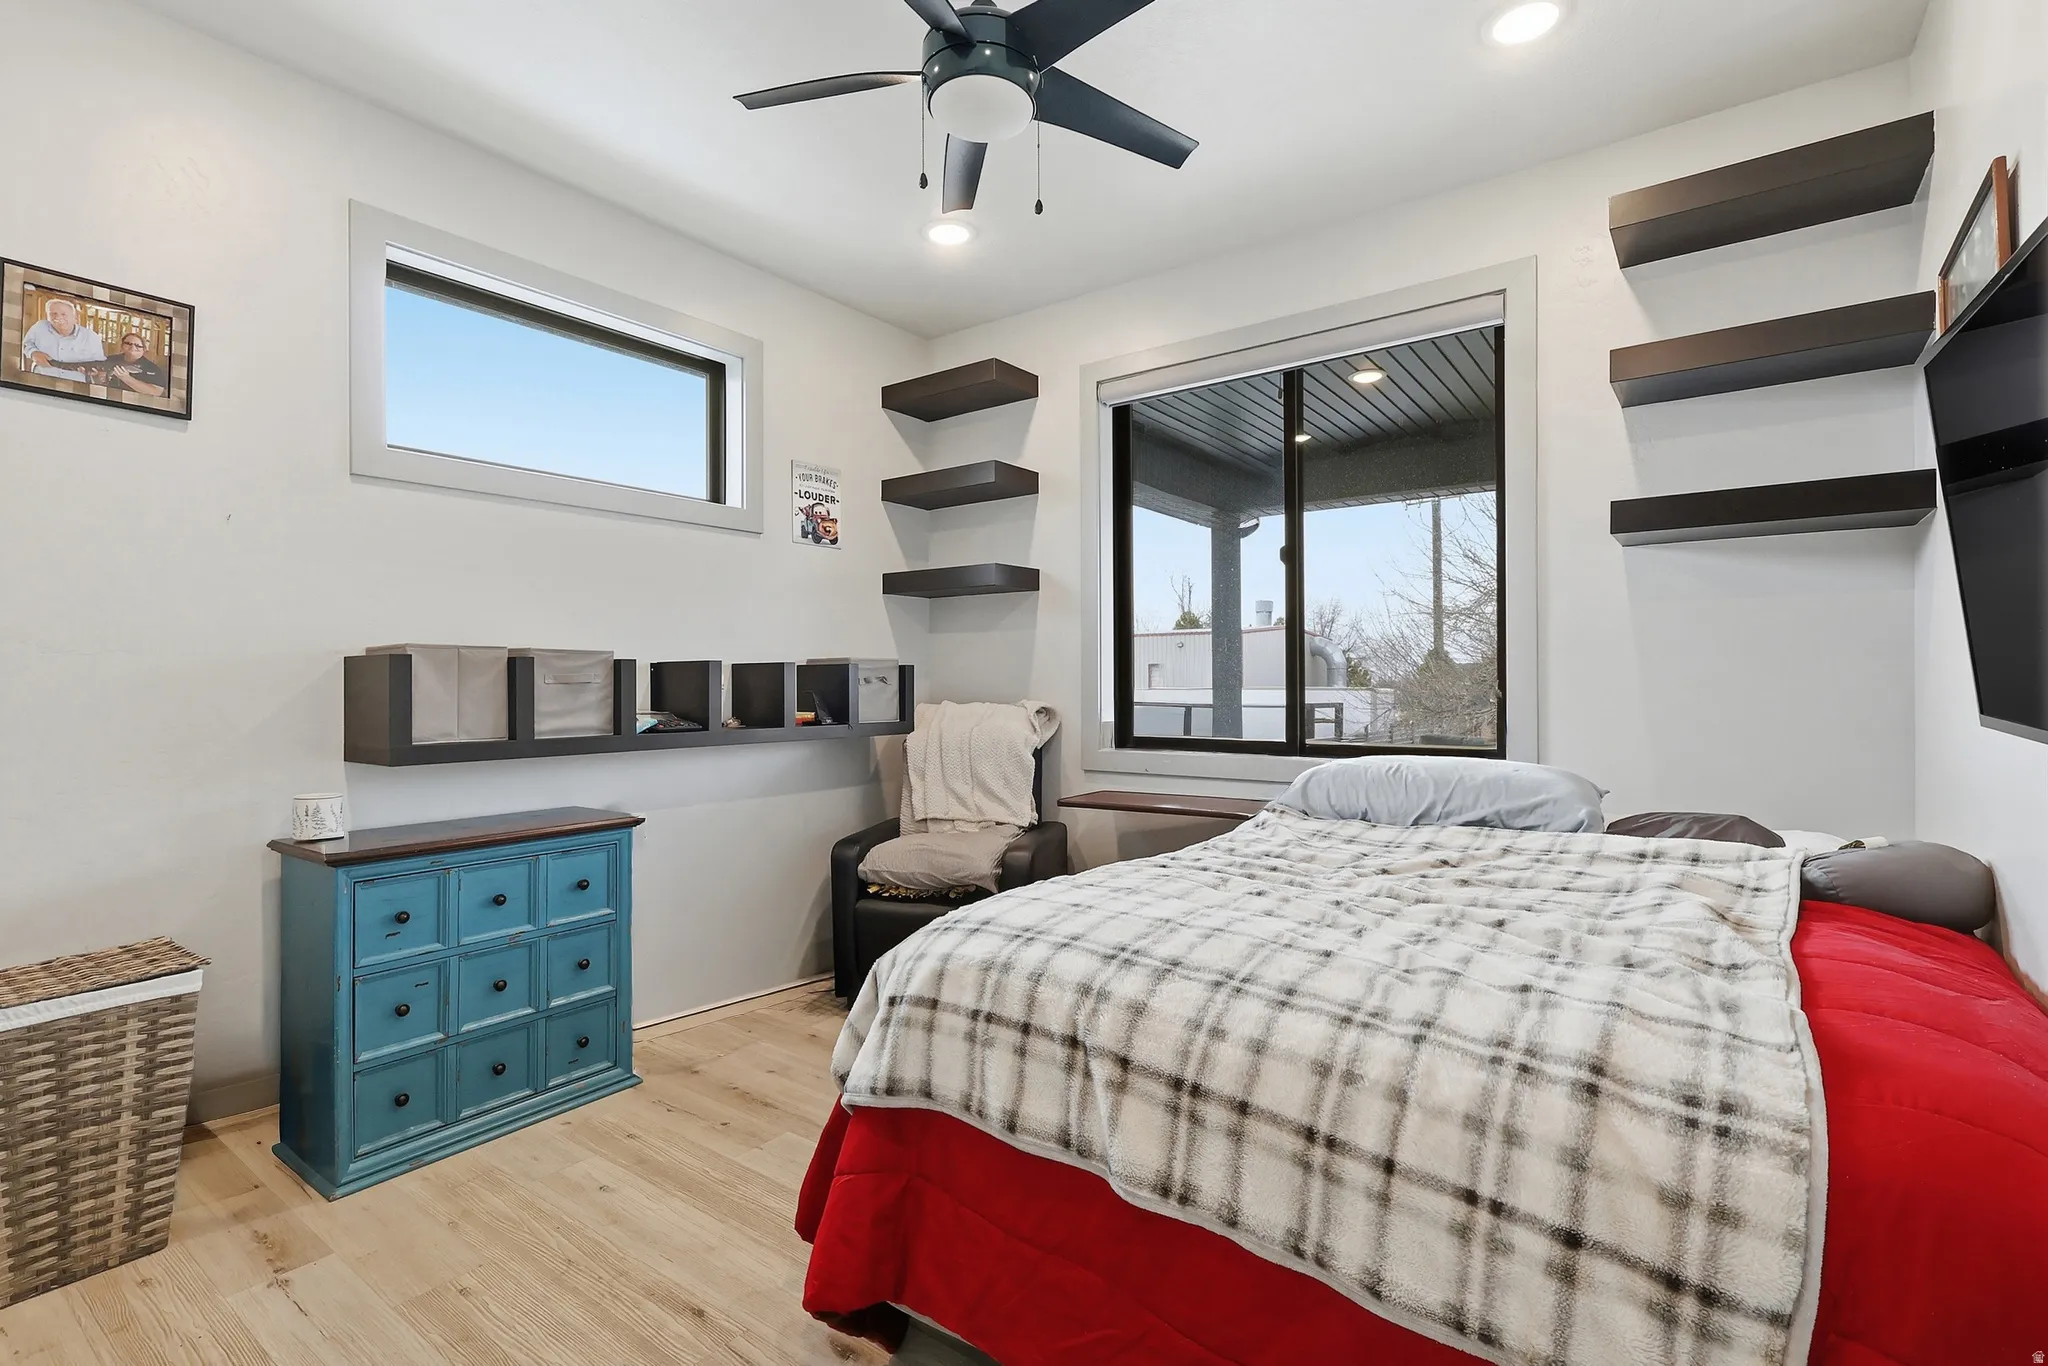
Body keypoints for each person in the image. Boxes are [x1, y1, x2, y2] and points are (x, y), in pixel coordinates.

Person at [20, 296, 106, 381]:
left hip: (74, 388)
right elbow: (25, 344)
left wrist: (96, 373)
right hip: (40, 382)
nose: (58, 317)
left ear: (75, 318)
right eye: (53, 314)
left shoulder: (91, 337)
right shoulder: (39, 327)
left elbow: (101, 366)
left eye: (64, 314)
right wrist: (33, 353)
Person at [99, 331, 166, 397]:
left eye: (138, 345)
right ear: (122, 346)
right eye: (128, 343)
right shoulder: (110, 360)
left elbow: (156, 392)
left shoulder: (152, 368)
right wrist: (98, 375)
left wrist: (126, 378)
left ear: (144, 349)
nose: (133, 347)